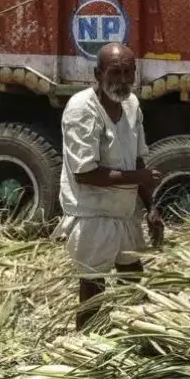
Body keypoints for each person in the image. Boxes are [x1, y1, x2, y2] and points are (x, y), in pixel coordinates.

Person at [52, 43, 163, 330]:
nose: (123, 81)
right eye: (115, 73)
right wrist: (139, 179)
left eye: (129, 73)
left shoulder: (131, 105)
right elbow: (85, 174)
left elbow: (137, 160)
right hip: (93, 216)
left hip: (125, 213)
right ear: (98, 74)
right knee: (93, 292)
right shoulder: (82, 110)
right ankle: (86, 349)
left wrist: (152, 207)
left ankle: (136, 339)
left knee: (134, 283)